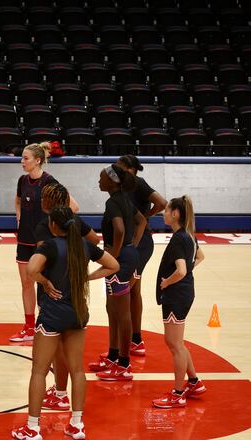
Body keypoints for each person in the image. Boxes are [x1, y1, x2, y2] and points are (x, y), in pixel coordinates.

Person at [11, 207, 119, 440]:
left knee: (39, 371)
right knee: (77, 369)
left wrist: (44, 281)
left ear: (53, 225)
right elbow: (113, 265)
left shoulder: (50, 246)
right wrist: (87, 277)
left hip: (52, 315)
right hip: (78, 313)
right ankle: (77, 424)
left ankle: (32, 427)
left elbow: (31, 269)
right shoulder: (85, 246)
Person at [34, 183, 99, 412]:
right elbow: (95, 240)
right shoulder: (75, 222)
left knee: (52, 352)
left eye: (43, 196)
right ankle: (63, 397)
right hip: (76, 298)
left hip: (53, 293)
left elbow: (42, 259)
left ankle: (59, 394)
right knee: (71, 358)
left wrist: (43, 280)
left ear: (50, 202)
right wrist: (82, 268)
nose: (40, 199)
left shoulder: (46, 226)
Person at [11, 142, 79, 343]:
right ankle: (29, 326)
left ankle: (46, 324)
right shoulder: (22, 181)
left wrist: (54, 226)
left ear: (37, 160)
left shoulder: (49, 182)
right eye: (22, 158)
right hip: (24, 240)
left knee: (44, 284)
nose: (22, 161)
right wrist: (19, 218)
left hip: (44, 242)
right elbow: (17, 201)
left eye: (26, 158)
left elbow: (73, 207)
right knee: (26, 283)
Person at [89, 164, 147, 381]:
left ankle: (124, 365)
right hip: (125, 257)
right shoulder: (124, 198)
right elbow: (141, 221)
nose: (99, 180)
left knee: (122, 314)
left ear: (112, 181)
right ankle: (113, 355)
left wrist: (115, 253)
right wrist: (132, 245)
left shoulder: (113, 201)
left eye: (101, 177)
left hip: (120, 261)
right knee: (112, 309)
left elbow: (120, 229)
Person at [152, 196, 207, 409]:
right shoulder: (189, 236)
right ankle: (194, 382)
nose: (163, 212)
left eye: (166, 210)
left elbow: (182, 270)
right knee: (178, 343)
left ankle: (177, 393)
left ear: (175, 213)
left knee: (174, 345)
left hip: (177, 295)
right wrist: (186, 273)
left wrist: (167, 282)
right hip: (185, 293)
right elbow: (200, 257)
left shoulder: (178, 238)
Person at [116, 155, 167, 356]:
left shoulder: (138, 183)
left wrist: (146, 216)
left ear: (129, 169)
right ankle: (136, 340)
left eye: (119, 167)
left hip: (140, 243)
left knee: (125, 292)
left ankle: (127, 345)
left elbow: (162, 202)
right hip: (132, 243)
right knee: (133, 292)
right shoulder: (123, 186)